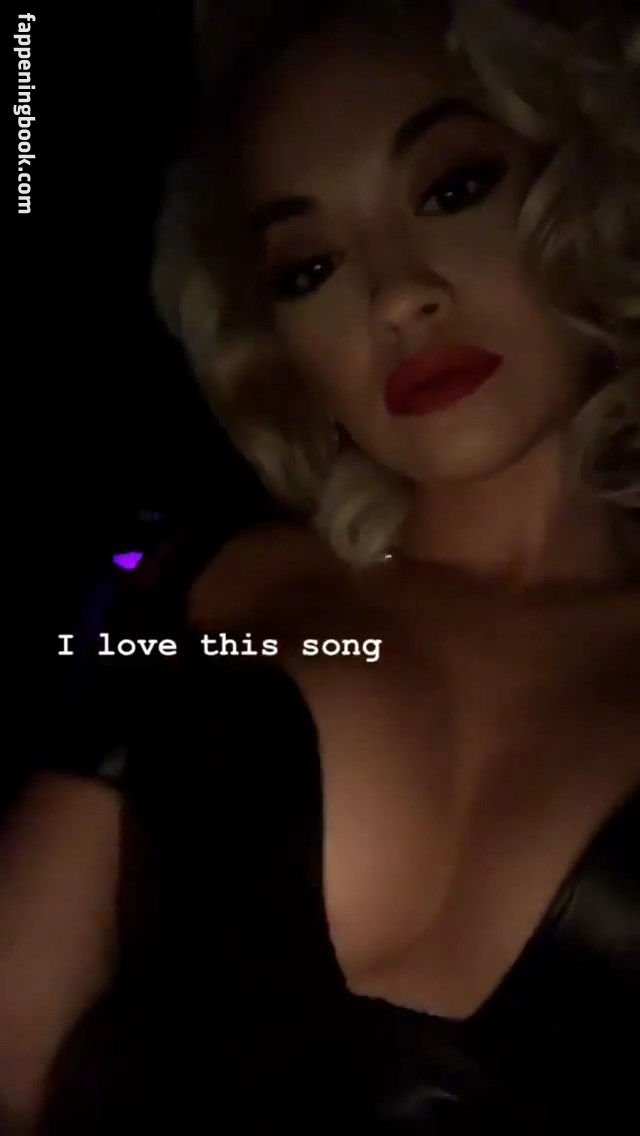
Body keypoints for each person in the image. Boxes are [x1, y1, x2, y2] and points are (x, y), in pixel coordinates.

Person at [2, 1, 639, 1131]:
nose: (395, 297)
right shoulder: (179, 584)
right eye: (309, 267)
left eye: (452, 188)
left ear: (584, 186)